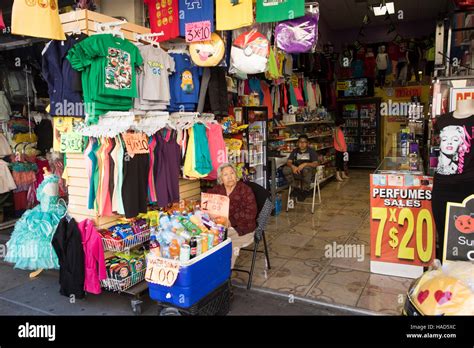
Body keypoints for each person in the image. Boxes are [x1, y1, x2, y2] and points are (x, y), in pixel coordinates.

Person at [208, 163, 257, 268]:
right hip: (221, 227)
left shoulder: (245, 190)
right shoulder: (217, 190)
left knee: (228, 245)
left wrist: (231, 221)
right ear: (221, 178)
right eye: (226, 174)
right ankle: (211, 272)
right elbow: (208, 204)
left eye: (232, 173)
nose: (230, 176)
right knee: (208, 241)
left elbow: (251, 212)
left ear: (236, 175)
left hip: (241, 229)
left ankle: (225, 276)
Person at [282, 134, 318, 200]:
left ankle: (305, 191)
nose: (302, 144)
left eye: (304, 142)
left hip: (309, 173)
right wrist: (293, 167)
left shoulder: (311, 151)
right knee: (286, 169)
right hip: (297, 172)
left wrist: (305, 164)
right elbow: (289, 162)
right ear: (298, 143)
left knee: (306, 169)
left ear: (307, 143)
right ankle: (295, 189)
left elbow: (315, 164)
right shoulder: (295, 151)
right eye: (300, 142)